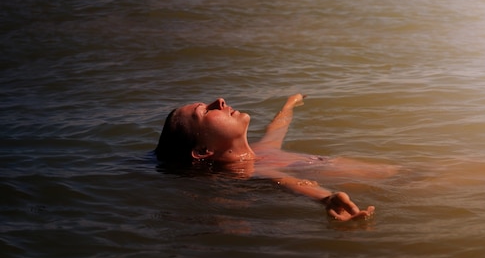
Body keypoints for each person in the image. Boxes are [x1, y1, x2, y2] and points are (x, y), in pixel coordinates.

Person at [155, 94, 378, 221]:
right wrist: (327, 198)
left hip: (397, 175)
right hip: (383, 183)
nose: (220, 101)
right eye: (204, 112)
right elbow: (291, 183)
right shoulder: (250, 171)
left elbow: (277, 127)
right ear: (203, 151)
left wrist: (290, 104)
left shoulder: (263, 149)